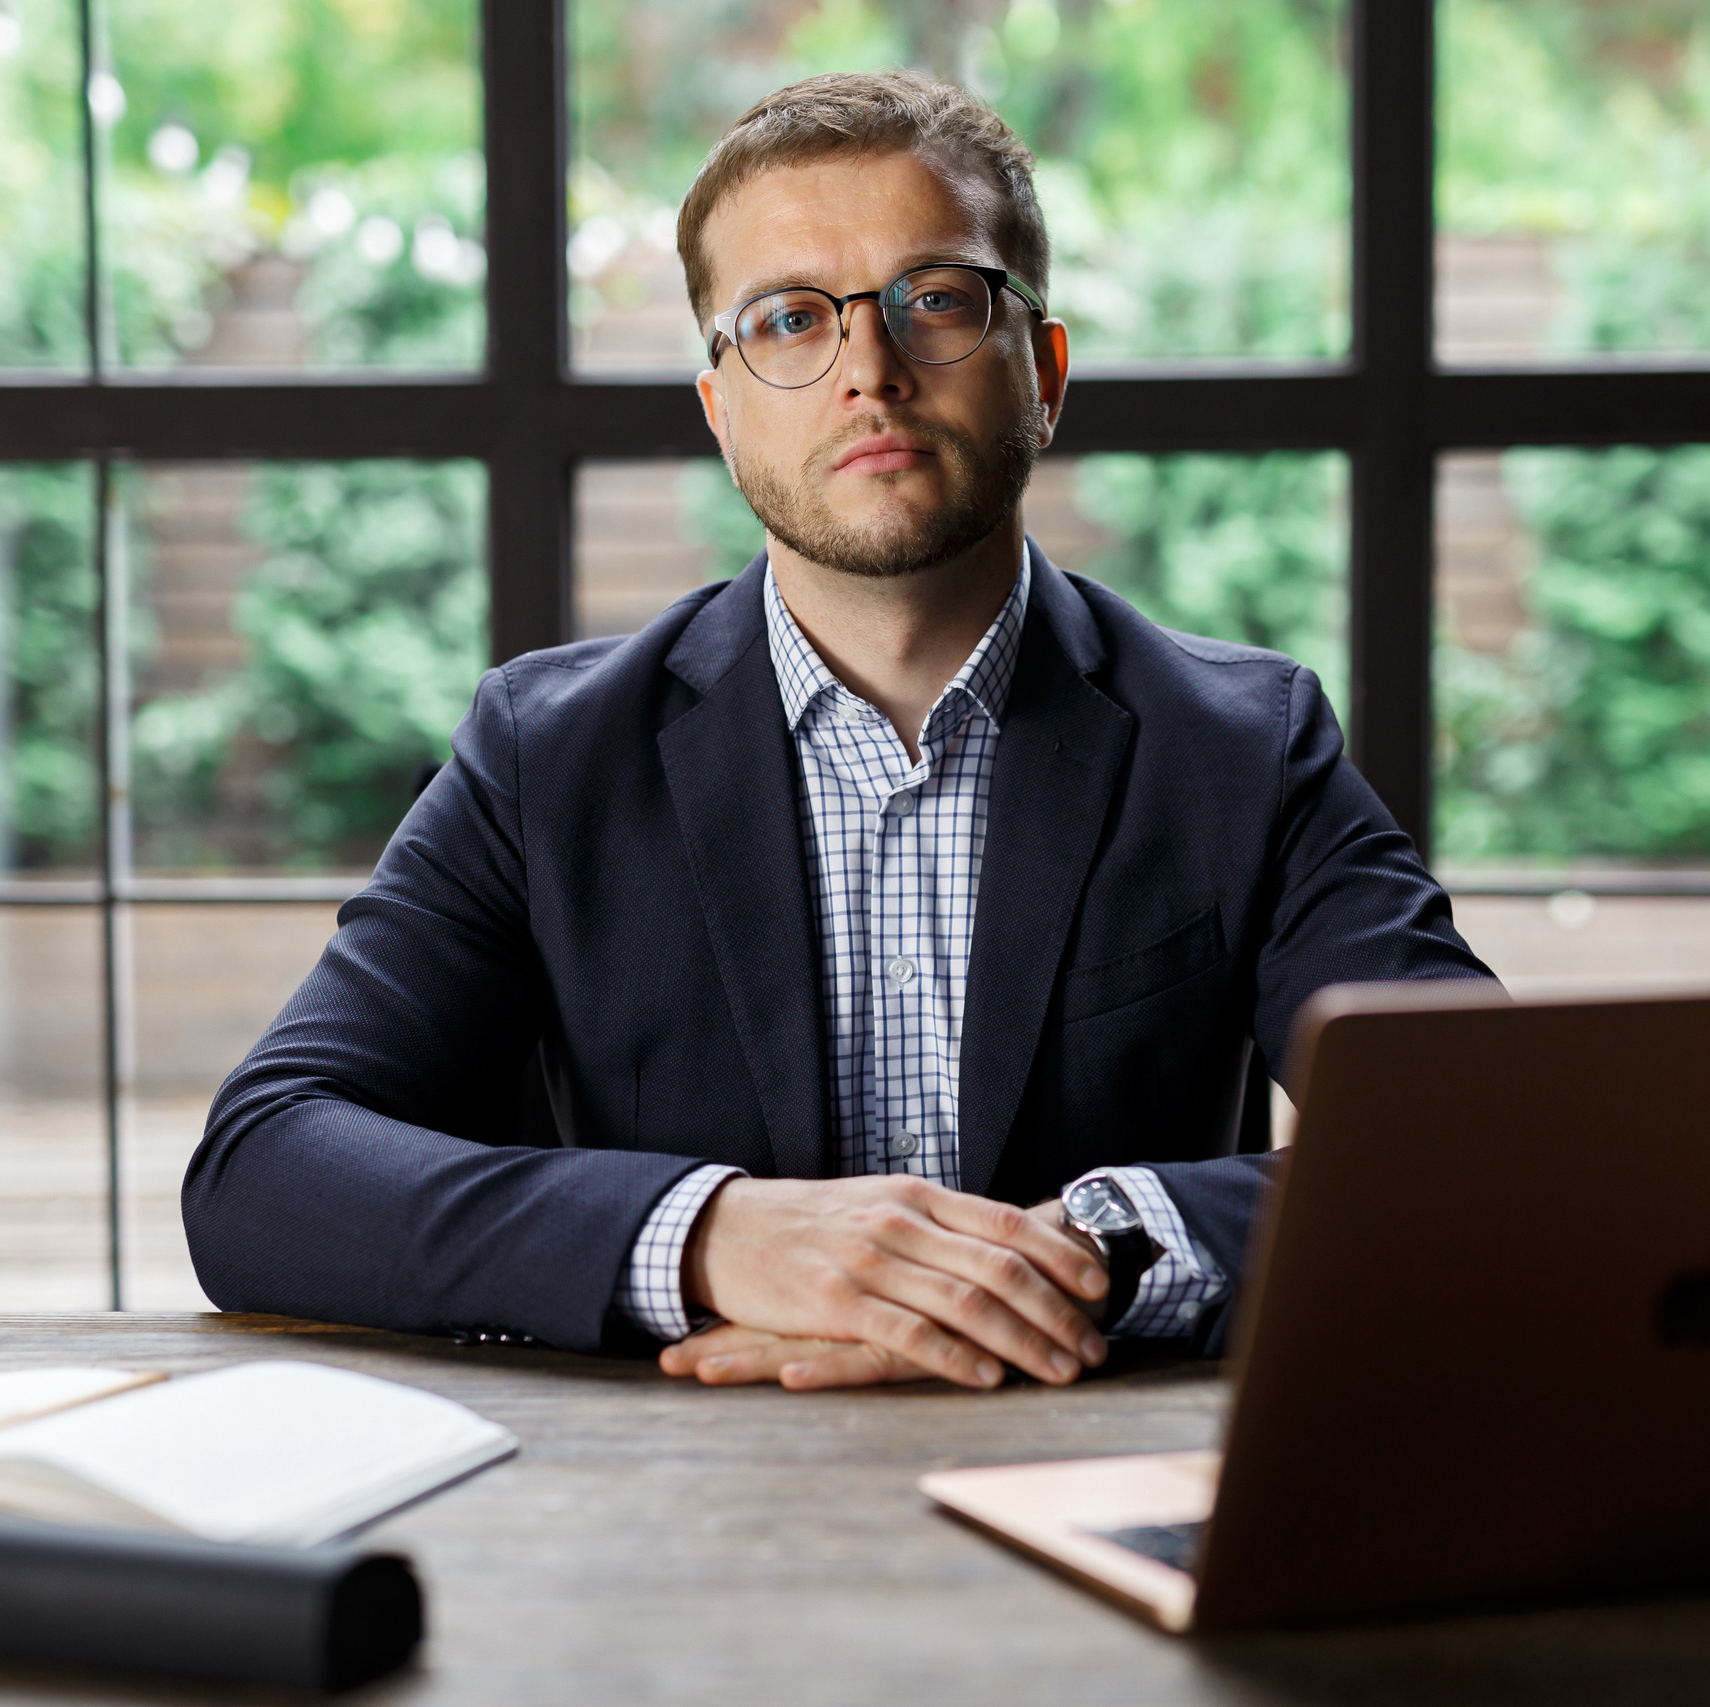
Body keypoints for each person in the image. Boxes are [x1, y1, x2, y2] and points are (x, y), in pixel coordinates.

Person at [185, 71, 1493, 1393]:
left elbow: (1495, 1145)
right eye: (790, 319)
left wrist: (1073, 1258)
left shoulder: (1242, 746)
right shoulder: (546, 755)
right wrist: (711, 1237)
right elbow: (263, 1170)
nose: (869, 371)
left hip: (1094, 1485)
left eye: (936, 299)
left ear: (1041, 369)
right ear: (721, 412)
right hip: (681, 1521)